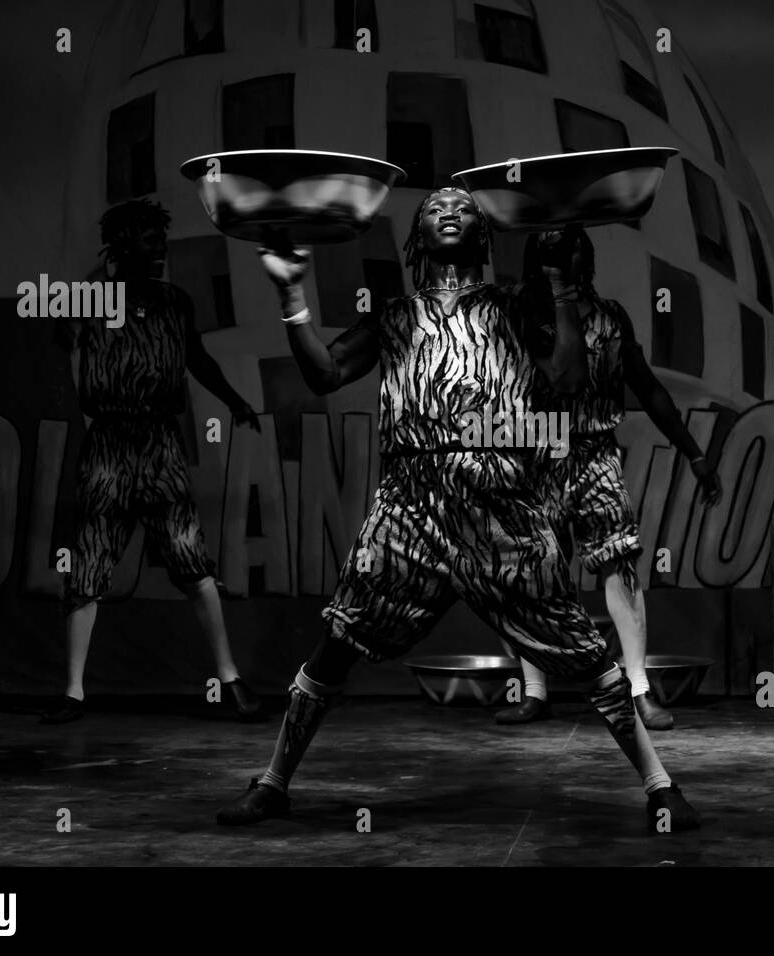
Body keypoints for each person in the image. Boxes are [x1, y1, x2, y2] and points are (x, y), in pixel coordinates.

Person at [215, 188, 699, 830]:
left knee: (584, 656)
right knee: (337, 644)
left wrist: (557, 285)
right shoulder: (394, 317)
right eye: (435, 204)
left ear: (484, 232)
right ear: (417, 234)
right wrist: (290, 297)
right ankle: (273, 781)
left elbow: (567, 380)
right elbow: (325, 374)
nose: (449, 208)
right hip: (409, 509)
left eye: (464, 205)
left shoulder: (514, 309)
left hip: (502, 509)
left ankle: (661, 786)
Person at [42, 199, 263, 724]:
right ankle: (72, 692)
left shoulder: (174, 302)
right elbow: (61, 343)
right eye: (148, 242)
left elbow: (197, 358)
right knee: (89, 560)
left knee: (191, 559)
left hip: (159, 442)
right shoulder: (89, 300)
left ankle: (230, 679)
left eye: (161, 242)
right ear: (121, 247)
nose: (160, 250)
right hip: (109, 442)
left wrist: (232, 400)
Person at [494, 226, 721, 730]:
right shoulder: (522, 313)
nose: (562, 248)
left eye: (571, 240)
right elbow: (561, 376)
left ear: (585, 253)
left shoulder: (611, 318)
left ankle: (639, 689)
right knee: (533, 573)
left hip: (596, 453)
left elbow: (649, 388)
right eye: (551, 242)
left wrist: (694, 454)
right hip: (538, 454)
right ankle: (535, 691)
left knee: (620, 562)